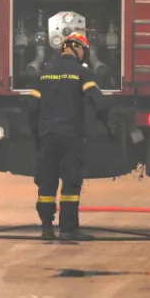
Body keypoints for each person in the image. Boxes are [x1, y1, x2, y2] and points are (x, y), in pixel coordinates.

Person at [25, 32, 113, 242]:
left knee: (47, 182)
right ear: (79, 49)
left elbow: (31, 108)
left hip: (47, 135)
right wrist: (106, 124)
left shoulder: (45, 74)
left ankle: (46, 227)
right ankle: (68, 229)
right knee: (70, 183)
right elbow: (98, 102)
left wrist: (37, 134)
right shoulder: (82, 74)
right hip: (71, 136)